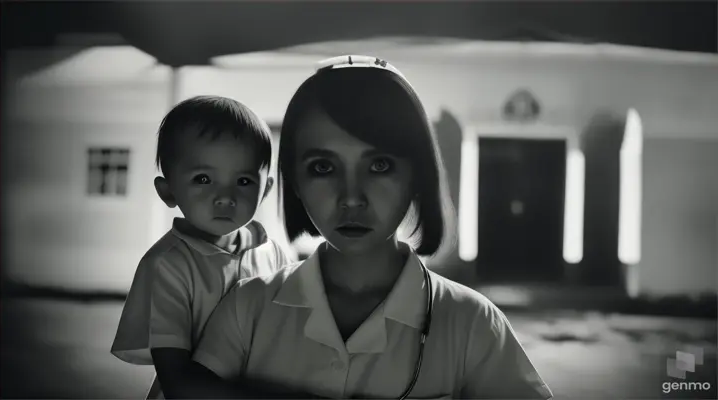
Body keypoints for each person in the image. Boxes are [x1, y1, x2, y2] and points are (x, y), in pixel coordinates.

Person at [184, 55, 553, 399]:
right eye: (323, 168)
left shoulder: (473, 323)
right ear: (293, 181)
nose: (352, 198)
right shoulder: (247, 307)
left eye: (379, 166)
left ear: (416, 177)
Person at [110, 95, 291, 399]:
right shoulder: (168, 265)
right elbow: (179, 384)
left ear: (266, 190)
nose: (225, 197)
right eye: (203, 178)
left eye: (244, 181)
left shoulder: (271, 253)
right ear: (168, 191)